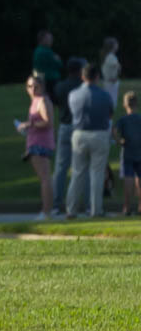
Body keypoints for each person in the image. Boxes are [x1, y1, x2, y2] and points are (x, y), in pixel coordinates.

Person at [64, 63, 115, 218]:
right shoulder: (105, 95)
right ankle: (96, 210)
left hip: (79, 134)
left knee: (77, 173)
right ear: (97, 77)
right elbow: (110, 114)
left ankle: (71, 210)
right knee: (97, 174)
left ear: (82, 76)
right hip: (99, 133)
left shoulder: (73, 94)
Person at [51, 57, 86, 211]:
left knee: (60, 168)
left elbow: (56, 103)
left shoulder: (60, 86)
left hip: (65, 126)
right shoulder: (82, 87)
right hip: (80, 127)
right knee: (82, 168)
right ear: (80, 71)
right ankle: (87, 204)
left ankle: (56, 204)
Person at [18, 73, 55, 219]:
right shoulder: (35, 101)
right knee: (44, 178)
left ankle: (46, 212)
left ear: (42, 87)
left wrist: (29, 124)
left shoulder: (42, 100)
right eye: (29, 86)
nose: (32, 89)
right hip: (35, 142)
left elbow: (48, 122)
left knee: (45, 178)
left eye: (35, 86)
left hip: (41, 144)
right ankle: (47, 210)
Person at [115, 91, 141, 216]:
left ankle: (127, 207)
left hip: (128, 151)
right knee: (139, 179)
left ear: (125, 104)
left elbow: (114, 131)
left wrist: (119, 141)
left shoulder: (123, 119)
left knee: (128, 178)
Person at [32, 29, 62, 96]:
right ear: (42, 39)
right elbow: (58, 64)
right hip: (51, 80)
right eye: (49, 38)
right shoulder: (46, 52)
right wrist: (58, 60)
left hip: (41, 78)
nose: (51, 40)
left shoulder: (37, 50)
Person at [101, 37, 121, 108]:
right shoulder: (111, 56)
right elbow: (118, 67)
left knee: (109, 101)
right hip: (111, 82)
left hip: (108, 82)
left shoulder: (108, 56)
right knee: (111, 103)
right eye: (116, 44)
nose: (117, 45)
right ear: (113, 46)